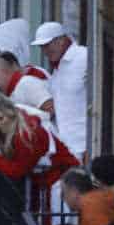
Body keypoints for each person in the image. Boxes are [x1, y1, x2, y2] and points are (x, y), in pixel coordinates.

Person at [31, 22, 88, 158]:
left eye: (47, 45)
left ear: (61, 41)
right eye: (41, 47)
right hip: (67, 146)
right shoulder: (57, 69)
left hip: (85, 144)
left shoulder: (83, 56)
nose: (44, 51)